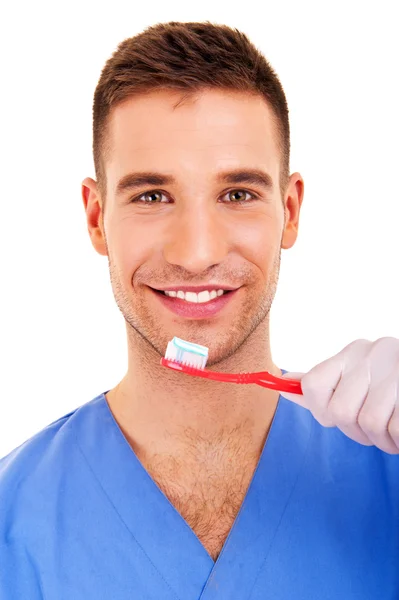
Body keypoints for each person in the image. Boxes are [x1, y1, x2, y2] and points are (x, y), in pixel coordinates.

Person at [1, 21, 398, 600]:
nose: (197, 254)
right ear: (96, 217)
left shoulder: (387, 469)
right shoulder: (12, 523)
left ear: (289, 211)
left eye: (238, 194)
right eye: (151, 196)